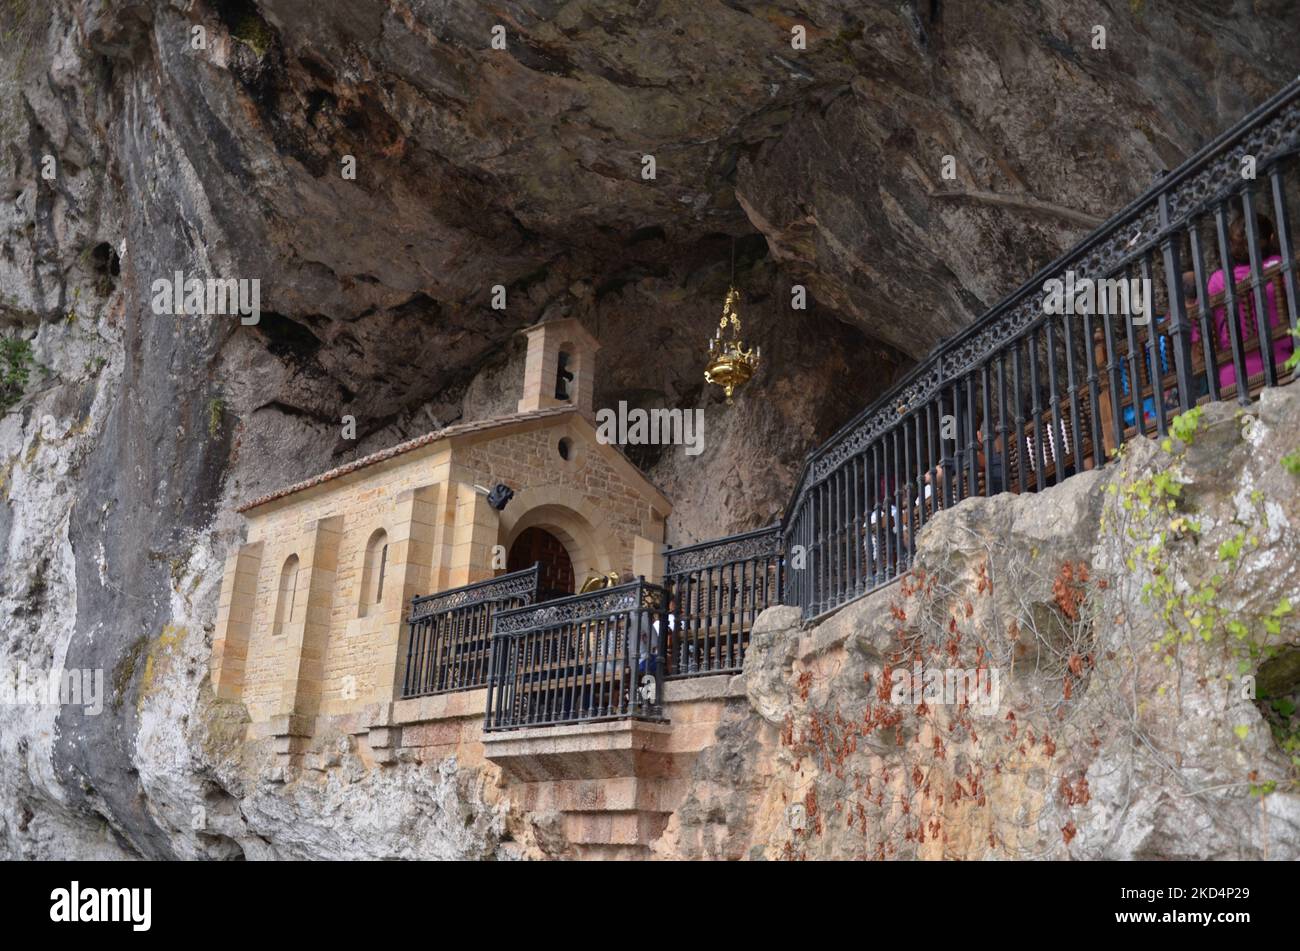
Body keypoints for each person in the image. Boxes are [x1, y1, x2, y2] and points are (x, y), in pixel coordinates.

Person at [1190, 213, 1293, 391]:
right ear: (1271, 238)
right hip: (1284, 364)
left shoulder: (1217, 281)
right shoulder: (1281, 265)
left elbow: (1199, 333)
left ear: (1230, 246)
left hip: (1234, 377)